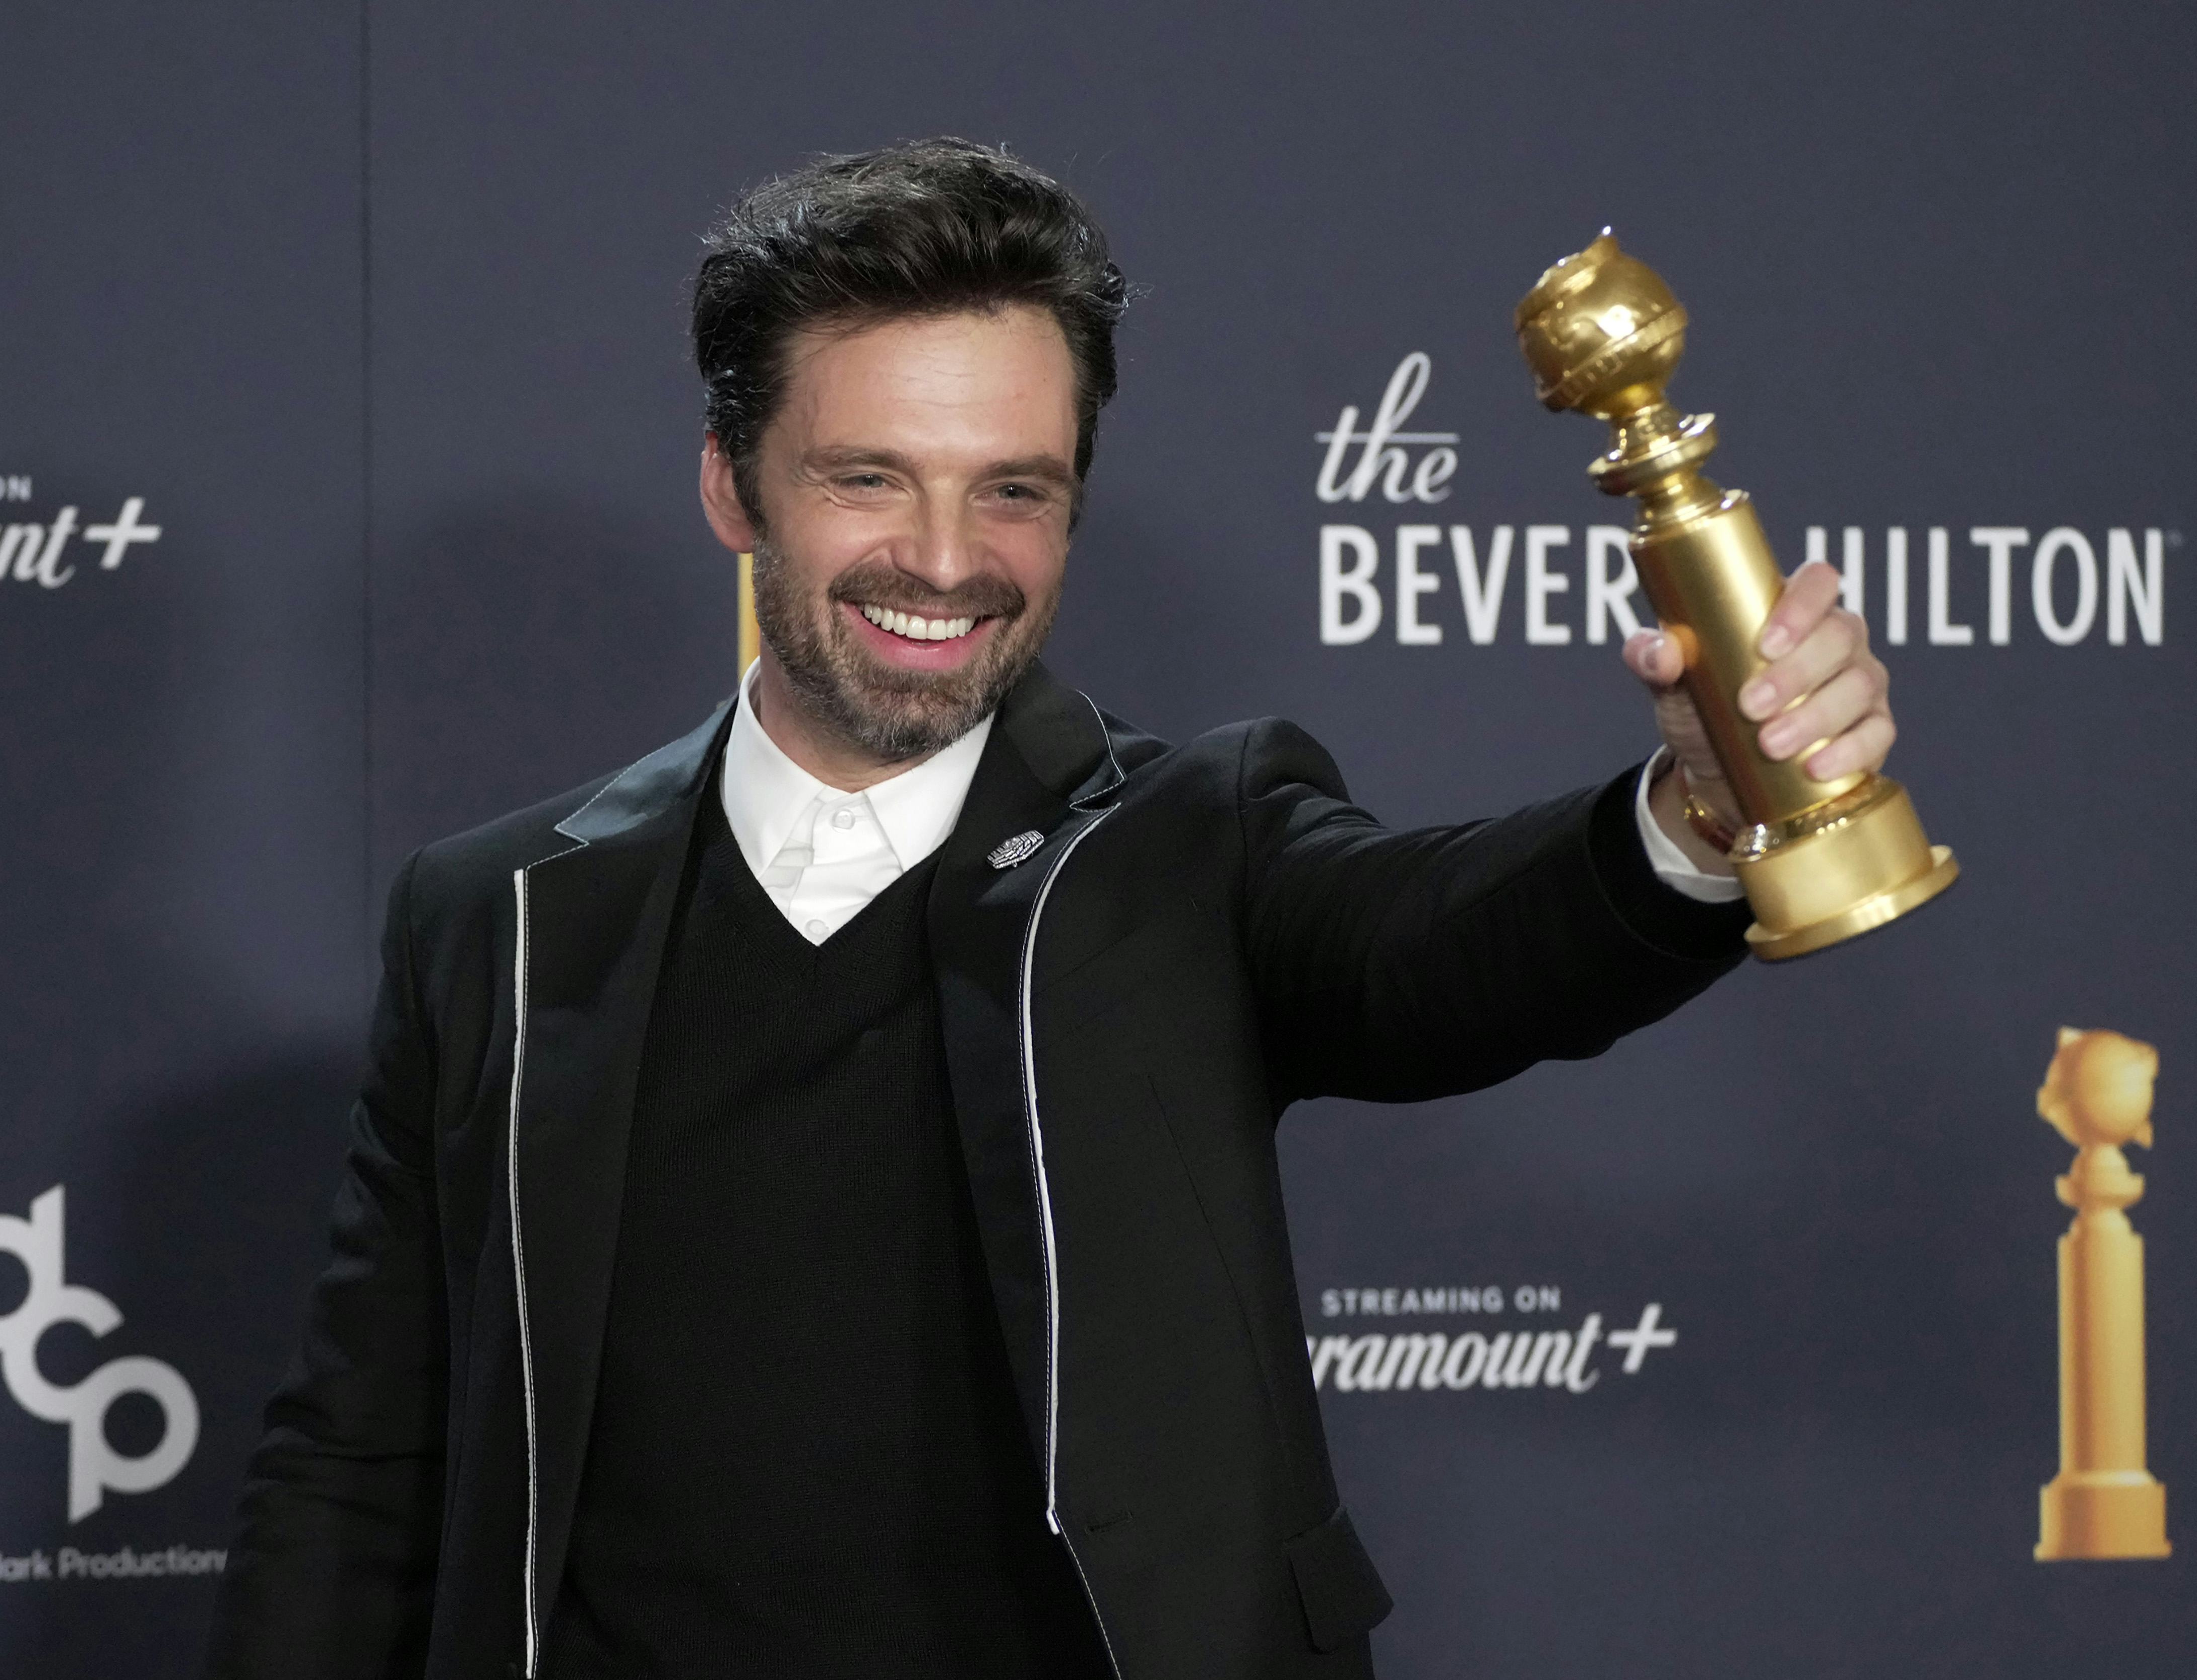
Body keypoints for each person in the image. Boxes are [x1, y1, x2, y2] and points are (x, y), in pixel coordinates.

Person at [204, 139, 1899, 1680]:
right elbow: (364, 1455)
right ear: (734, 488)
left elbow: (1446, 947)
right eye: (869, 478)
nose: (947, 561)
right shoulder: (495, 914)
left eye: (1012, 489)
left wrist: (1686, 818)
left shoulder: (1188, 844)